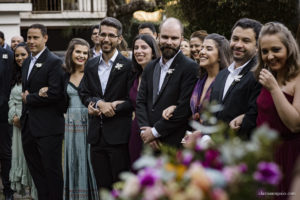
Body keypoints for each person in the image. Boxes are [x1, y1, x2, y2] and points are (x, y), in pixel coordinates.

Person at [40, 38, 99, 199]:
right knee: (74, 161)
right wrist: (47, 89)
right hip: (71, 124)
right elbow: (58, 96)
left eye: (85, 53)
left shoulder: (93, 72)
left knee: (90, 161)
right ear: (71, 53)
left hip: (90, 120)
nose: (81, 56)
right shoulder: (64, 74)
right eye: (78, 52)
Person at [78, 17, 133, 189]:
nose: (106, 39)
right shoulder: (91, 64)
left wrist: (113, 107)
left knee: (120, 188)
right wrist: (98, 103)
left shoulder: (129, 66)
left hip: (119, 137)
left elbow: (133, 100)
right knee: (102, 188)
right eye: (103, 34)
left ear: (119, 39)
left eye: (111, 35)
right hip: (96, 137)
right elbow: (84, 93)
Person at [136, 17, 198, 149]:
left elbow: (184, 107)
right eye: (165, 37)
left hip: (175, 143)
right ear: (158, 37)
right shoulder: (150, 67)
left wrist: (155, 132)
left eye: (174, 38)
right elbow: (140, 101)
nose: (169, 42)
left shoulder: (190, 67)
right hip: (149, 143)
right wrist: (145, 131)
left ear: (181, 39)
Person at [254, 22, 300, 199]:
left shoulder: (298, 77)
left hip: (288, 155)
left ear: (289, 48)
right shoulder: (268, 74)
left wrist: (274, 89)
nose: (270, 56)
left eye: (276, 50)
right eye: (264, 52)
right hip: (265, 154)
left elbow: (295, 125)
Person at [20, 23, 65, 200]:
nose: (31, 41)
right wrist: (34, 96)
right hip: (29, 128)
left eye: (35, 37)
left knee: (52, 174)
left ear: (45, 38)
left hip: (49, 129)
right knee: (37, 174)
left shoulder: (54, 62)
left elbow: (55, 94)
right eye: (29, 38)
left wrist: (29, 98)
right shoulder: (26, 63)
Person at [210, 18, 262, 139]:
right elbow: (212, 110)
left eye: (246, 41)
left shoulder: (259, 75)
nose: (238, 45)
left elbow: (253, 117)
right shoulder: (222, 74)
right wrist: (206, 136)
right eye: (235, 39)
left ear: (257, 46)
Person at [162, 33, 231, 123]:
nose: (201, 52)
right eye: (202, 48)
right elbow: (190, 108)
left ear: (220, 55)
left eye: (208, 49)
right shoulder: (200, 79)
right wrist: (175, 108)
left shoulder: (226, 82)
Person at [8, 42, 37, 199]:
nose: (19, 58)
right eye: (17, 55)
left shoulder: (35, 73)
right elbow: (10, 98)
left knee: (32, 158)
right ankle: (25, 191)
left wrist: (23, 118)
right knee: (20, 157)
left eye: (23, 54)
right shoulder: (14, 74)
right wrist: (13, 116)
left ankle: (36, 192)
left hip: (31, 122)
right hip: (16, 123)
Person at [129, 34, 160, 167]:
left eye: (144, 47)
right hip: (136, 129)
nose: (139, 51)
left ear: (153, 52)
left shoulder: (160, 75)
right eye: (136, 48)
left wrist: (154, 132)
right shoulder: (134, 76)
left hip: (155, 130)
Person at [0, 40, 14, 200]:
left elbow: (9, 82)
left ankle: (8, 189)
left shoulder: (8, 55)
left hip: (3, 113)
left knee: (5, 153)